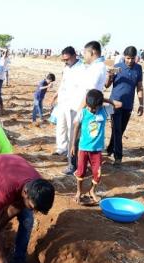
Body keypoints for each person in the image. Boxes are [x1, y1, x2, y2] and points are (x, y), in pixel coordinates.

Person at [71, 89, 119, 204]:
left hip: (97, 150)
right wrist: (74, 145)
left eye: (94, 107)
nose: (92, 110)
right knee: (81, 171)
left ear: (100, 105)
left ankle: (92, 191)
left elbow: (118, 105)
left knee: (97, 173)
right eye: (90, 106)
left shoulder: (104, 111)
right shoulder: (83, 112)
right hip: (83, 148)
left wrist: (104, 100)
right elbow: (76, 127)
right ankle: (79, 191)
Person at [105, 46, 144, 166]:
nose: (130, 61)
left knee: (120, 130)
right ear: (124, 57)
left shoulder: (138, 68)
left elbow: (140, 87)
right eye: (128, 58)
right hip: (115, 103)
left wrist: (141, 104)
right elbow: (107, 85)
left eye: (132, 58)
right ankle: (118, 157)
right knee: (116, 129)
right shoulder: (118, 67)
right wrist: (110, 75)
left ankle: (110, 149)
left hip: (128, 105)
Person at [50, 46, 85, 175]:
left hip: (74, 104)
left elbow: (83, 89)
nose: (65, 61)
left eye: (67, 59)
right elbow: (63, 83)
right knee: (61, 126)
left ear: (74, 55)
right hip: (63, 102)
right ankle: (61, 148)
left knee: (73, 131)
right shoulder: (66, 67)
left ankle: (72, 156)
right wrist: (56, 95)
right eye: (63, 60)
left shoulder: (82, 68)